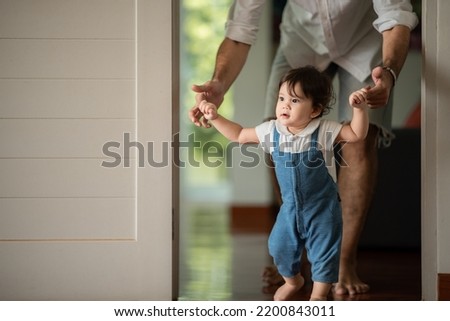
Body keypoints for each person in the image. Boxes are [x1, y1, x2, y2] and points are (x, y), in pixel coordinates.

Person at [189, 0, 418, 296]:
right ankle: (292, 258)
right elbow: (238, 32)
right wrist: (219, 85)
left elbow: (395, 16)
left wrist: (389, 73)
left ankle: (342, 261)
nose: (287, 106)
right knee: (275, 131)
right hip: (300, 41)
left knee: (360, 145)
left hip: (362, 42)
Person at [199, 66, 369, 300]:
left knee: (323, 252)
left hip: (322, 207)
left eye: (295, 100)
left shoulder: (322, 130)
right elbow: (238, 135)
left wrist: (359, 110)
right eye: (281, 98)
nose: (284, 105)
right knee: (279, 246)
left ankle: (318, 295)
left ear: (315, 110)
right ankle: (293, 280)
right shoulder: (271, 131)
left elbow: (356, 134)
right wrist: (215, 117)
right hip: (290, 208)